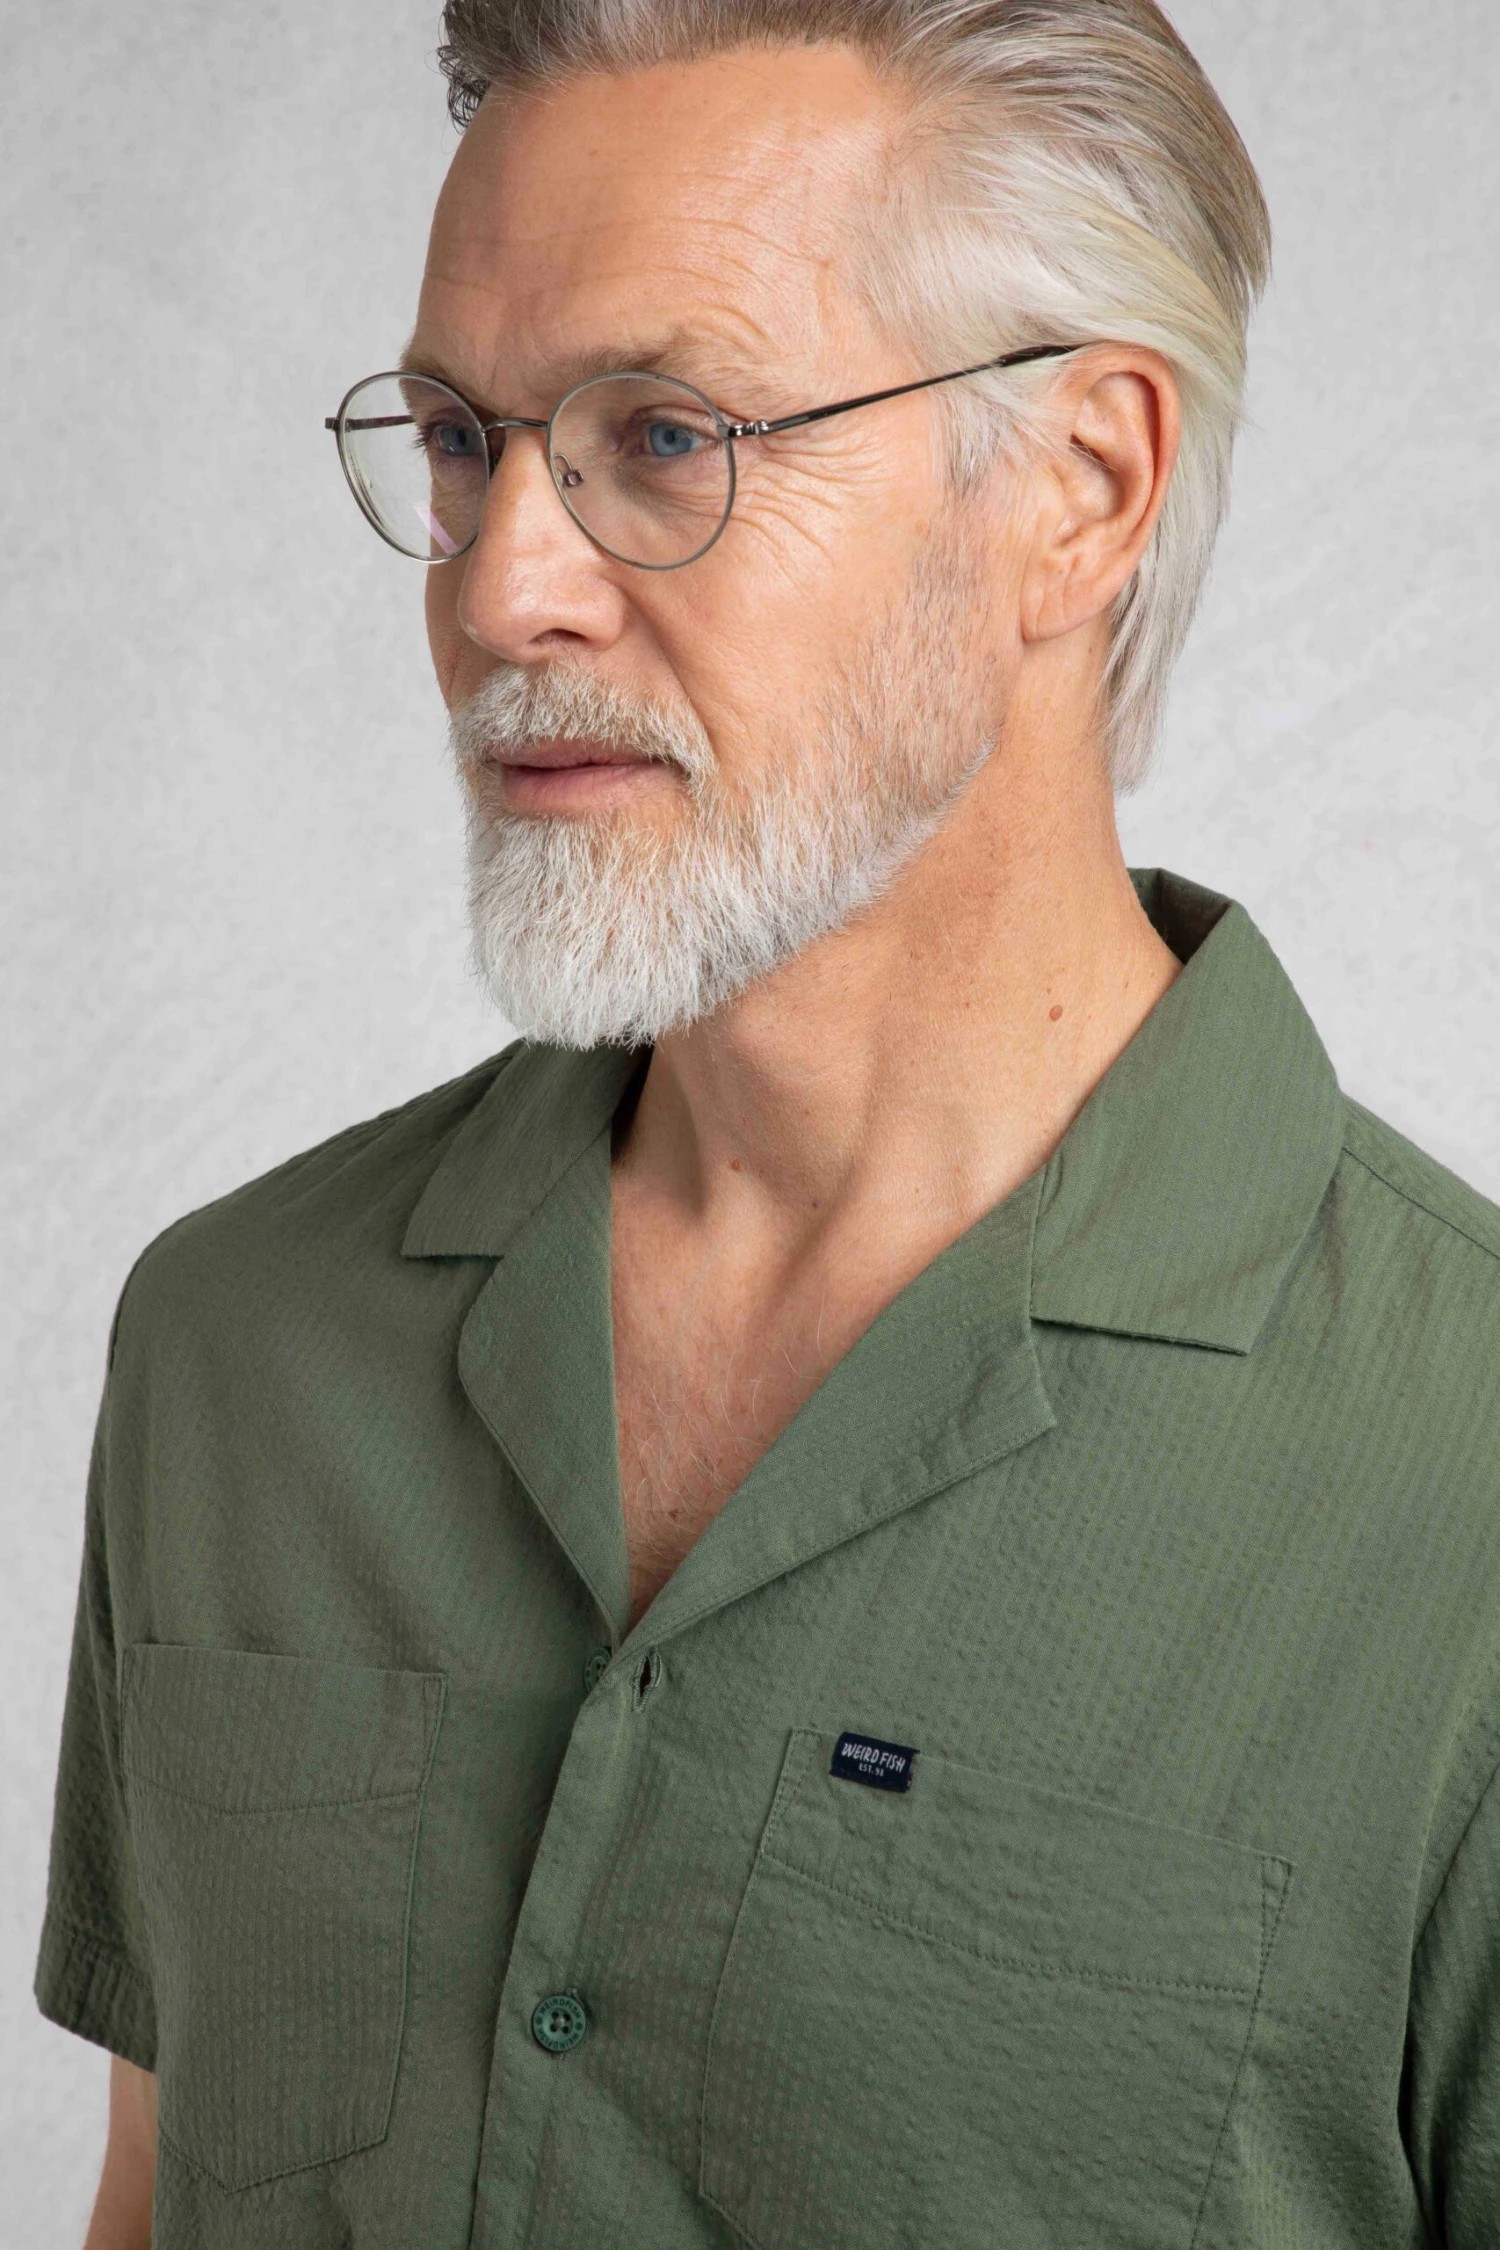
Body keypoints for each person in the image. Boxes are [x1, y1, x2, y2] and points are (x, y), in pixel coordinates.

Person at [38, 3, 1500, 2245]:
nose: (499, 588)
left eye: (666, 435)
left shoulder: (1459, 1492)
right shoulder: (238, 1343)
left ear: (1082, 489)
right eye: (464, 439)